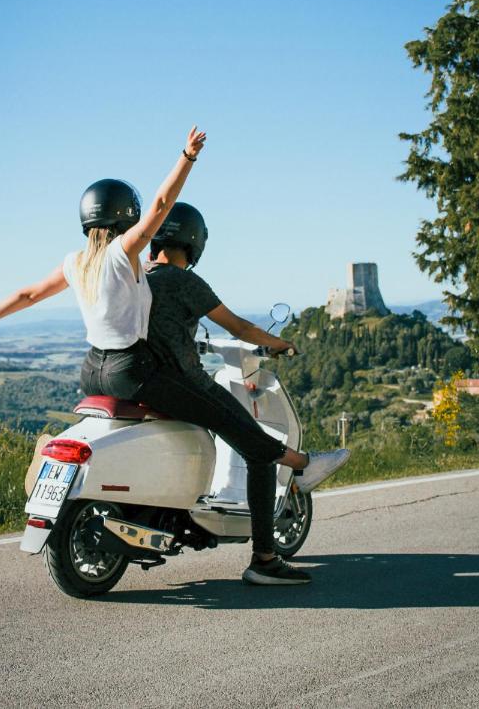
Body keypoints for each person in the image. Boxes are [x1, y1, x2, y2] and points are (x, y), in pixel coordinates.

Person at [0, 128, 346, 586]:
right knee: (246, 437)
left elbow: (26, 293)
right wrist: (186, 157)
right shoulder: (122, 253)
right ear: (127, 219)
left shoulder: (76, 262)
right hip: (134, 370)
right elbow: (160, 206)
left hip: (93, 372)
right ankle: (267, 550)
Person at [144, 202, 350, 586]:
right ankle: (265, 558)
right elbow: (237, 326)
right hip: (176, 381)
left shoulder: (136, 276)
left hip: (124, 378)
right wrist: (280, 343)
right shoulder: (185, 281)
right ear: (194, 243)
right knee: (256, 446)